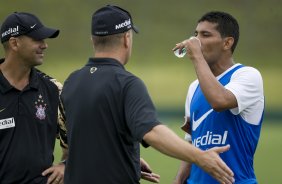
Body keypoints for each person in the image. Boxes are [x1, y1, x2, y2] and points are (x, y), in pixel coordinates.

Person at [61, 5, 235, 184]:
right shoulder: (126, 83)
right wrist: (200, 157)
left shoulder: (72, 81)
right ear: (127, 39)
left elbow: (88, 139)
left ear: (93, 40)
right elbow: (152, 132)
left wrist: (128, 161)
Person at [172, 11, 264, 184]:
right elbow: (192, 143)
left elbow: (219, 101)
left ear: (227, 42)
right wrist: (178, 181)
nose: (196, 41)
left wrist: (196, 56)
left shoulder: (247, 75)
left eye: (205, 35)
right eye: (195, 35)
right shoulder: (194, 87)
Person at [0, 12, 68, 184]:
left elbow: (80, 137)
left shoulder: (54, 90)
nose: (44, 45)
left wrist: (65, 164)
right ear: (14, 43)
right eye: (37, 39)